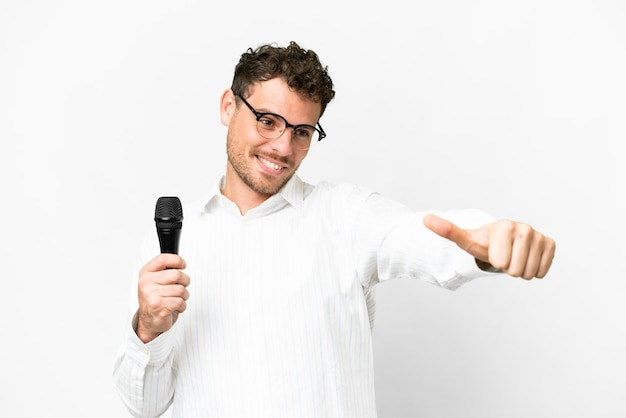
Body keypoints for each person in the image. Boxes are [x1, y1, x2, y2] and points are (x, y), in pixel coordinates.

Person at [112, 41, 556, 418]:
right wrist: (149, 327)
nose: (283, 147)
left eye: (302, 131)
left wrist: (487, 244)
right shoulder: (169, 248)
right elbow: (145, 406)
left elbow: (413, 236)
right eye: (268, 121)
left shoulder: (344, 217)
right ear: (229, 106)